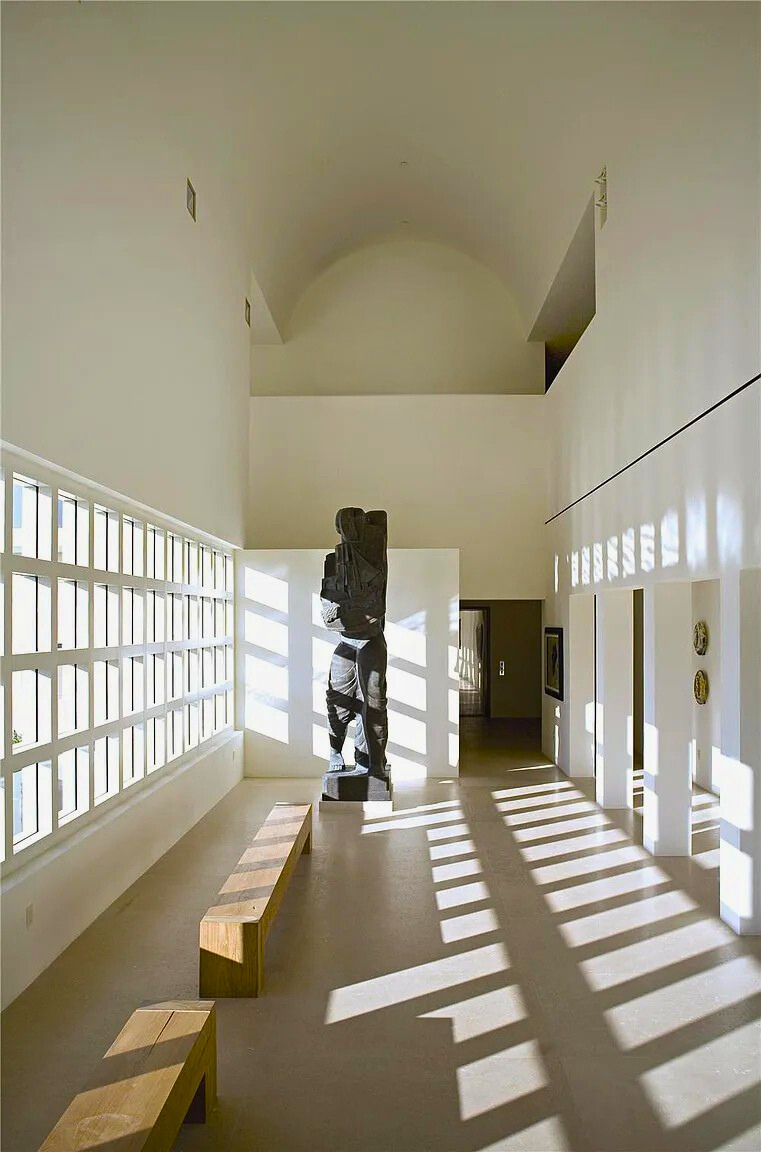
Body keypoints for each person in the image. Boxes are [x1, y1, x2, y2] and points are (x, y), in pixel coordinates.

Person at [320, 508, 389, 779]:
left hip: (371, 641)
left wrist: (352, 610)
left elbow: (375, 610)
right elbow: (329, 614)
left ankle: (373, 761)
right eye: (346, 527)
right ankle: (335, 751)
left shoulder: (375, 561)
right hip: (347, 642)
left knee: (374, 704)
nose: (350, 533)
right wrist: (351, 611)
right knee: (337, 701)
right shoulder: (333, 562)